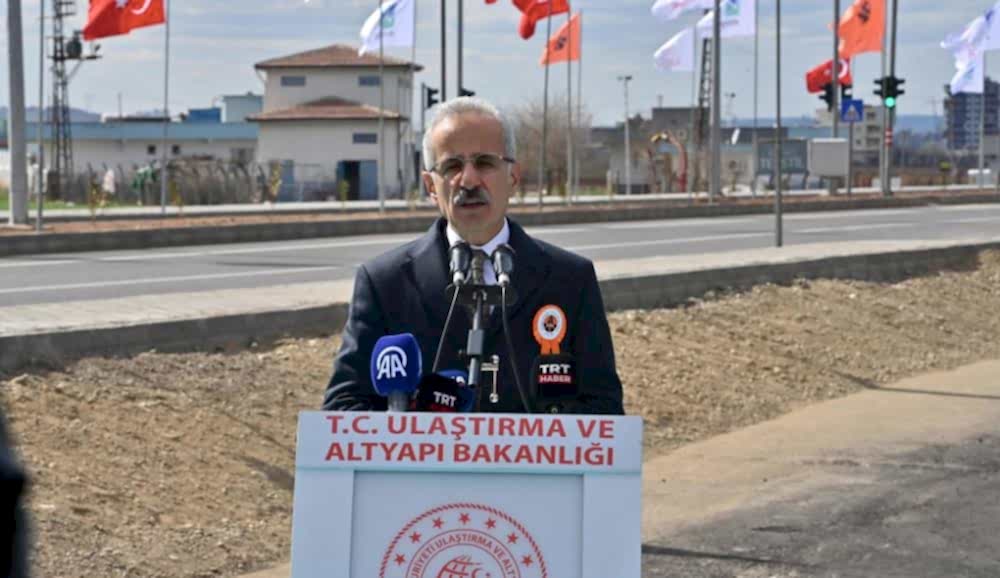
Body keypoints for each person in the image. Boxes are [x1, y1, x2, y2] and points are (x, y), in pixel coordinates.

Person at [323, 97, 623, 415]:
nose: (468, 180)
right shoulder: (385, 283)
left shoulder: (570, 280)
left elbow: (603, 407)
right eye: (452, 166)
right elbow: (344, 405)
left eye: (484, 163)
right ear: (430, 185)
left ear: (513, 177)